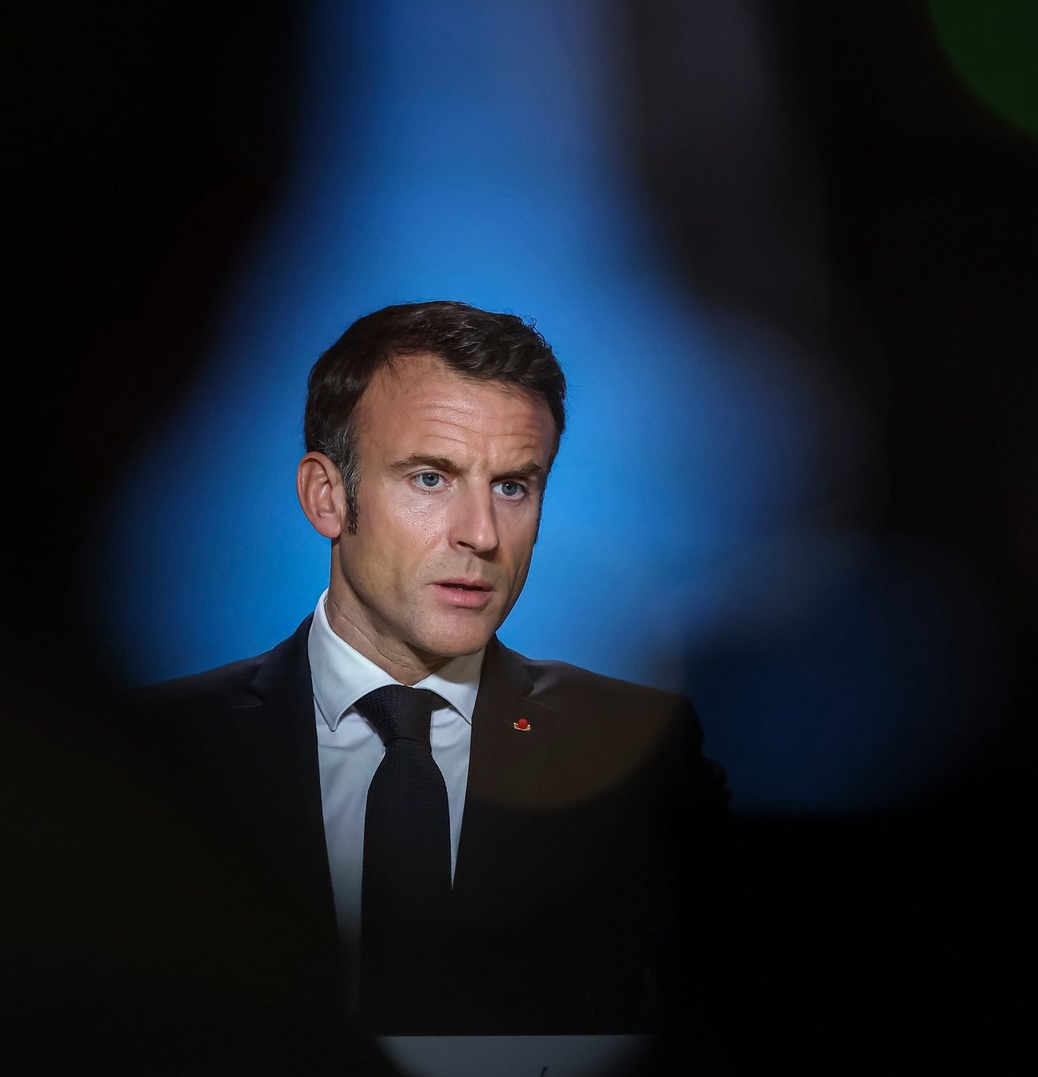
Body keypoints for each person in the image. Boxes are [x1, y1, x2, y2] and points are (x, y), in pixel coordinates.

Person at [135, 300, 730, 1048]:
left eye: (514, 486)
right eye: (429, 478)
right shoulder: (160, 754)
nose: (481, 534)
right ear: (328, 495)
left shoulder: (644, 753)